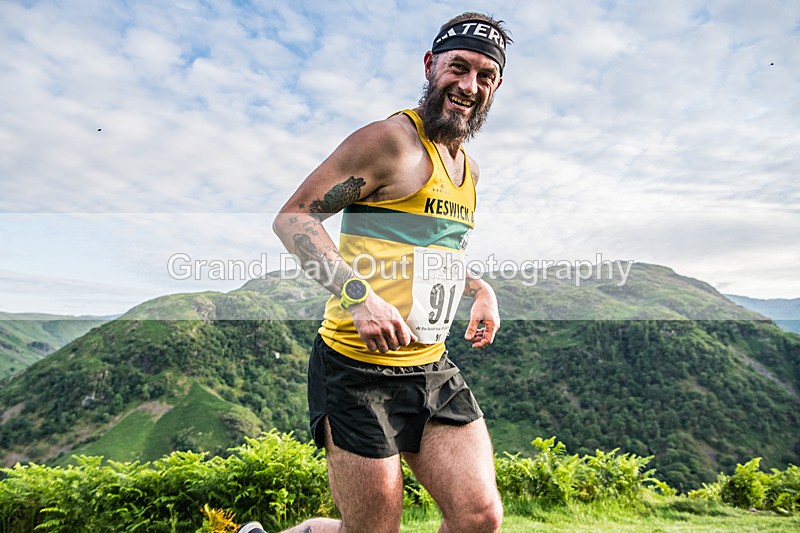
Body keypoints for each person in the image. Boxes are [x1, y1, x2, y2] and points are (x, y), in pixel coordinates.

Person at [245, 12, 511, 533]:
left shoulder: (468, 171)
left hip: (430, 366)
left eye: (485, 76)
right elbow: (294, 218)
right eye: (458, 67)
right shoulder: (389, 142)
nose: (469, 85)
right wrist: (358, 295)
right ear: (432, 65)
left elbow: (436, 251)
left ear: (496, 87)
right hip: (356, 366)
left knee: (479, 517)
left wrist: (480, 289)